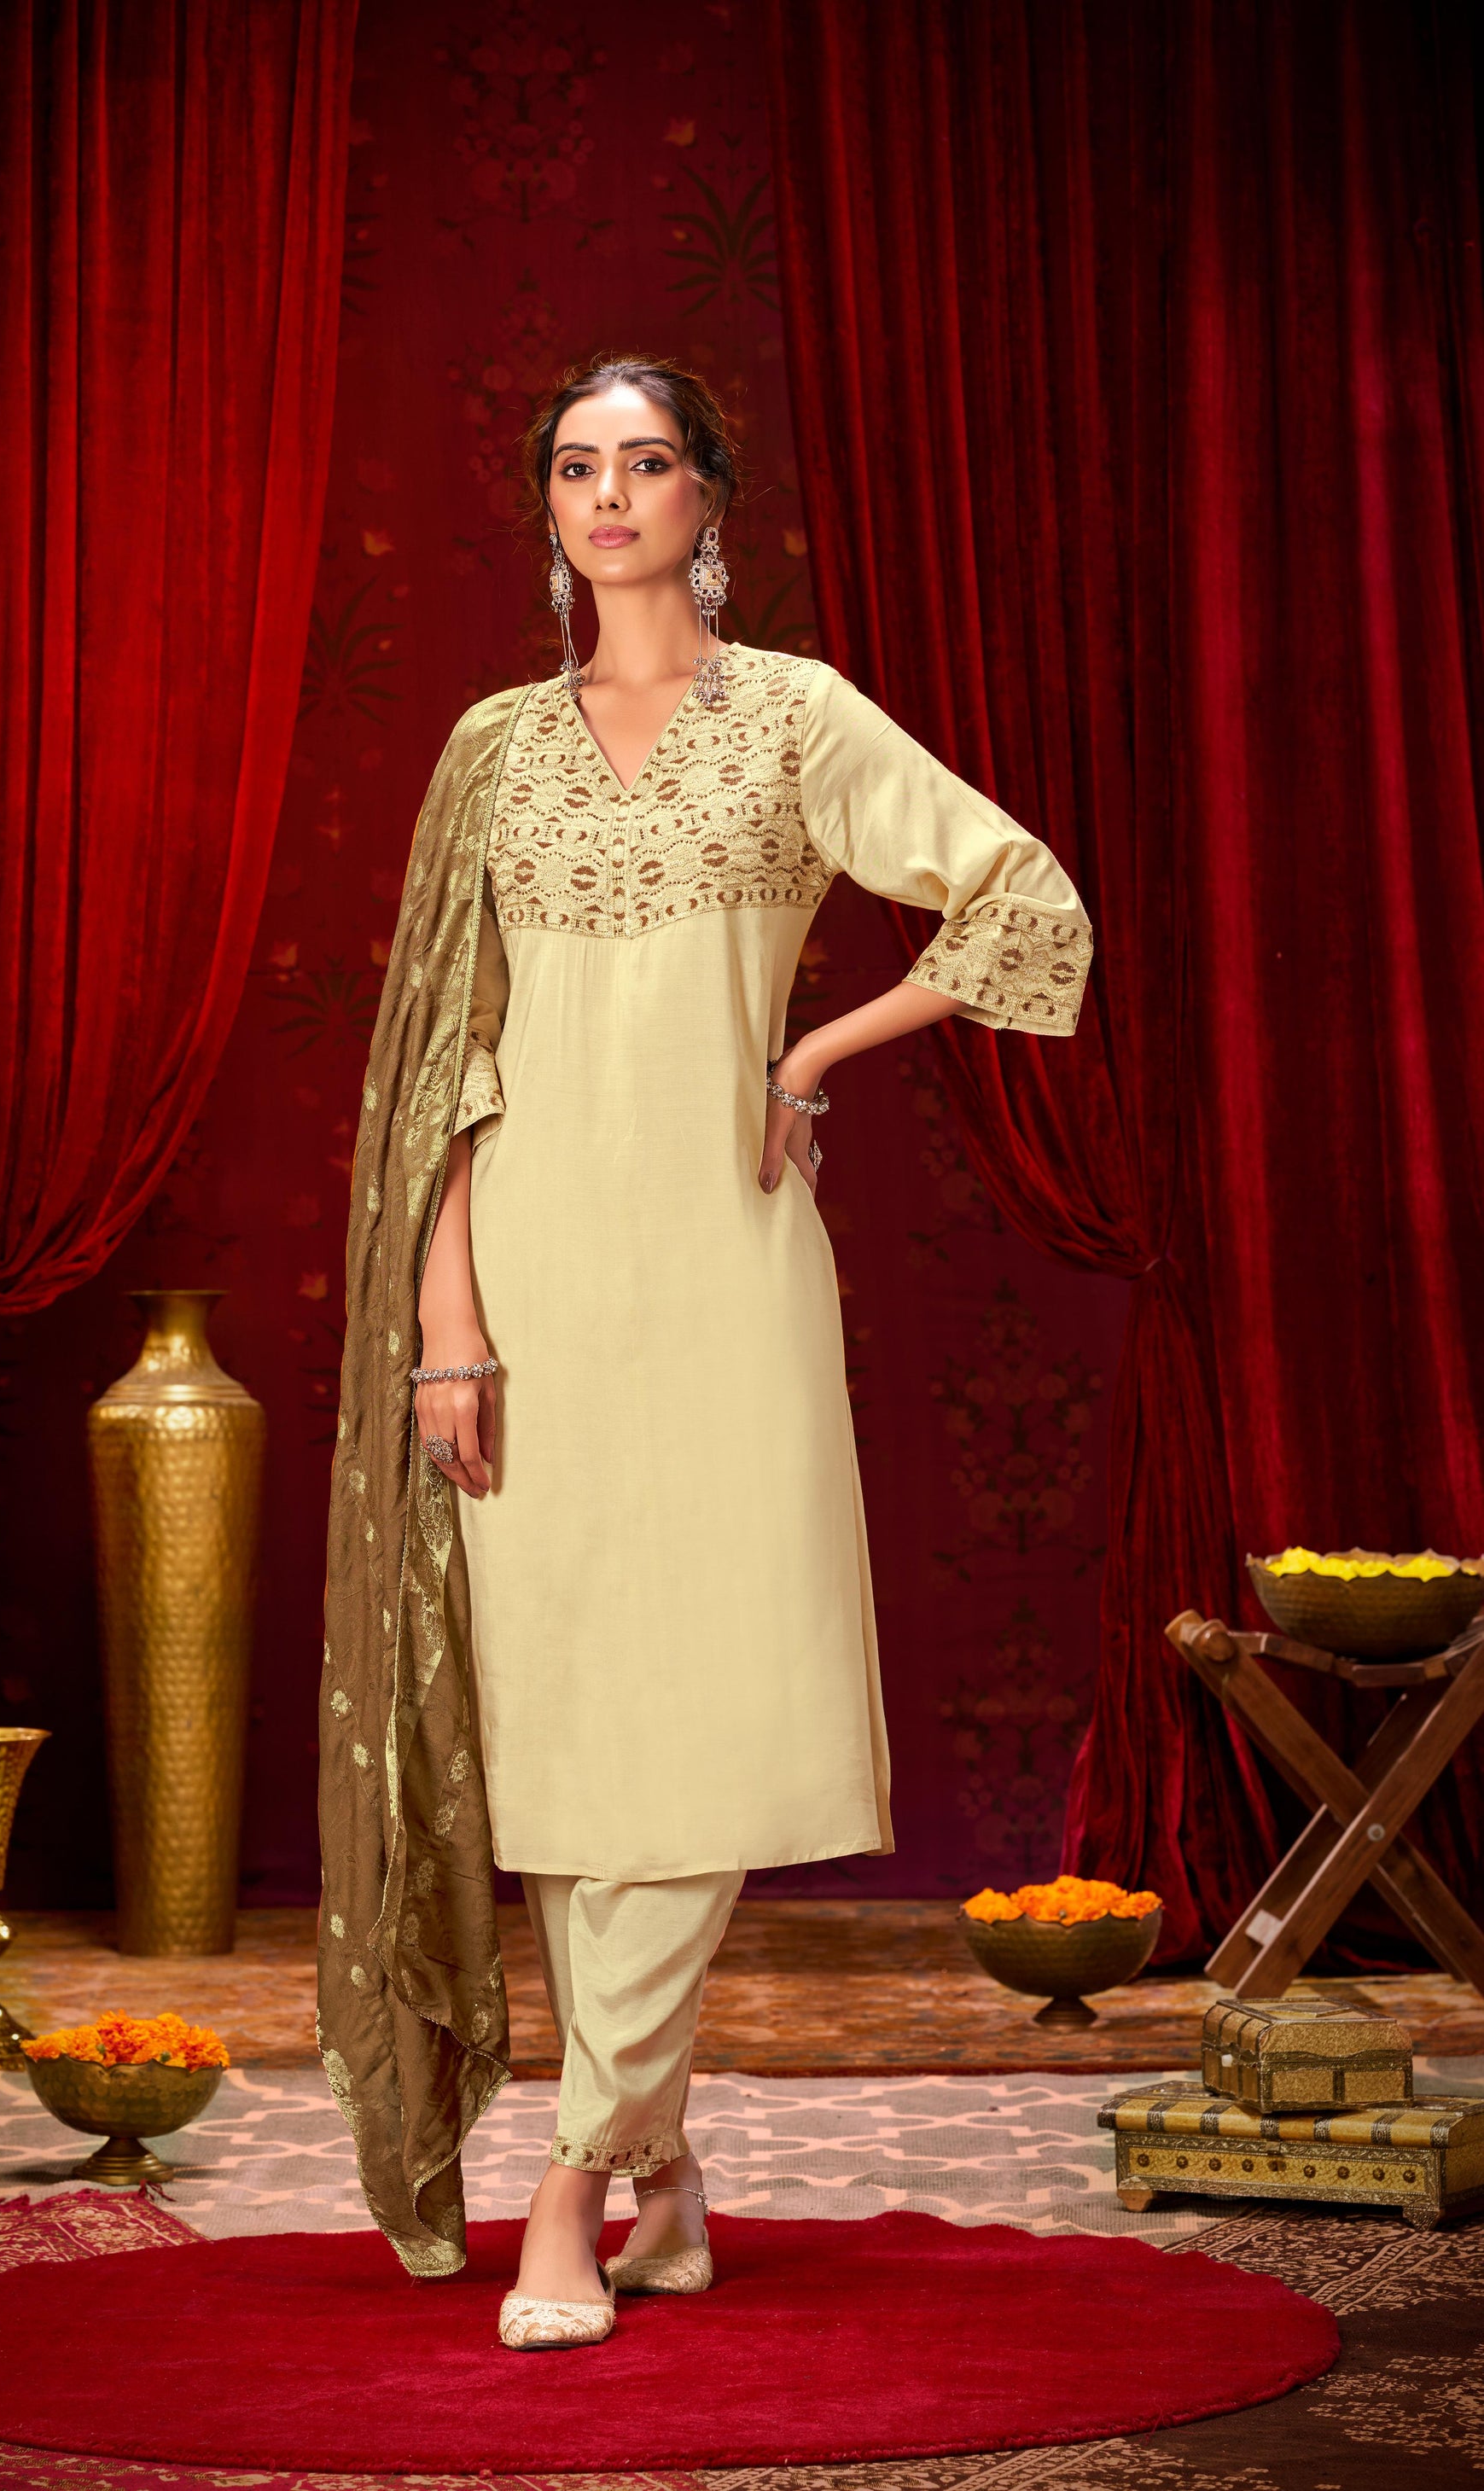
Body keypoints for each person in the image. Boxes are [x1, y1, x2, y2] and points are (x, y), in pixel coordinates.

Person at [317, 353, 1091, 2349]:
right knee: (578, 1745)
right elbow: (445, 1063)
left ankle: (571, 2180)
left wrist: (815, 1045)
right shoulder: (493, 748)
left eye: (646, 461)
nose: (609, 494)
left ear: (705, 500)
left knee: (699, 1722)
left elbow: (1019, 895)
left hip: (730, 1280)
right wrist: (446, 1323)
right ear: (547, 508)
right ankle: (661, 2167)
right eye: (577, 465)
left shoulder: (797, 718)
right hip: (532, 1287)